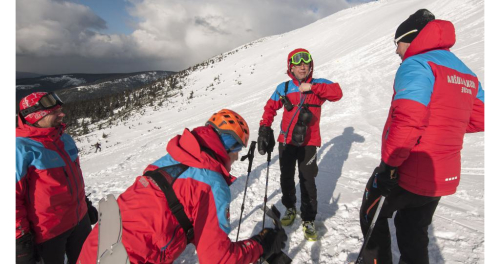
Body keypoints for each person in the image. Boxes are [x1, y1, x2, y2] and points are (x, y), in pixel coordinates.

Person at [77, 109, 287, 264]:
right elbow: (217, 259)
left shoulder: (170, 158)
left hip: (94, 249)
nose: (238, 155)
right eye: (238, 147)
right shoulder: (212, 184)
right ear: (228, 146)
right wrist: (261, 245)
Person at [358, 9, 484, 264]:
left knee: (371, 213)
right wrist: (442, 127)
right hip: (440, 176)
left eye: (398, 43)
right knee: (414, 231)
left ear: (411, 38)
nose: (397, 51)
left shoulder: (417, 64)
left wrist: (389, 166)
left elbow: (408, 121)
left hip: (408, 169)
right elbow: (481, 118)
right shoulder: (466, 72)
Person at [257, 48, 343, 241]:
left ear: (310, 66)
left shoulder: (319, 85)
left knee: (307, 180)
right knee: (286, 177)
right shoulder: (284, 88)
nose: (302, 67)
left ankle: (308, 219)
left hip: (309, 144)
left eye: (306, 63)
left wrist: (312, 88)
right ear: (291, 68)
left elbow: (337, 93)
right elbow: (270, 108)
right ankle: (290, 208)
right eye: (298, 64)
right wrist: (264, 128)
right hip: (286, 142)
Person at [16, 92, 99, 264]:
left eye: (60, 110)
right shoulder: (19, 148)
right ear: (35, 117)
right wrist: (20, 240)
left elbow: (74, 178)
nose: (62, 114)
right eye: (54, 112)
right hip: (48, 231)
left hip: (79, 220)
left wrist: (85, 203)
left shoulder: (64, 139)